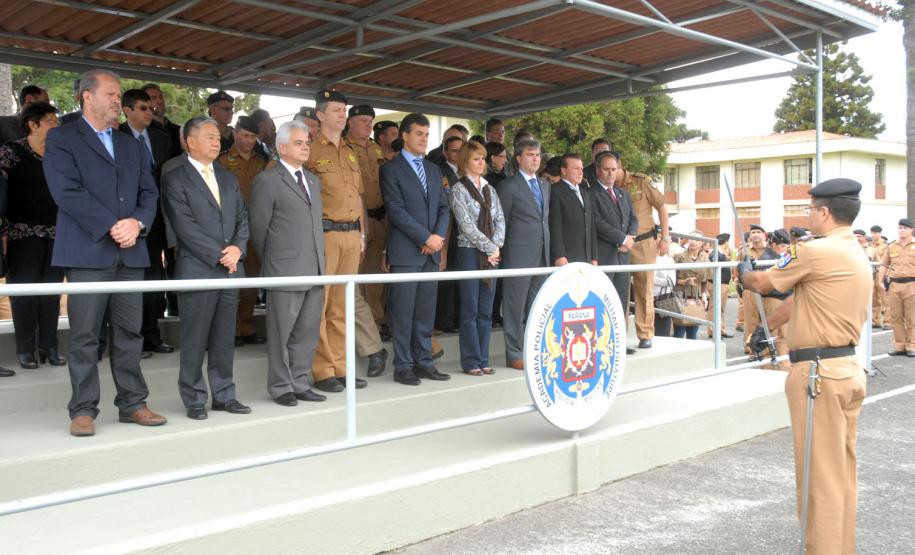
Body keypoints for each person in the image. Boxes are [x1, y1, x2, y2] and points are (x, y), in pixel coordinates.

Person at [738, 178, 871, 554]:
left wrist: (743, 272)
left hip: (818, 374)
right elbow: (800, 301)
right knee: (840, 475)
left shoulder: (814, 251)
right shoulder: (853, 249)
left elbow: (764, 282)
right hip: (844, 368)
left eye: (811, 208)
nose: (808, 214)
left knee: (819, 478)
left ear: (825, 212)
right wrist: (772, 328)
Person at [43, 69, 165, 437]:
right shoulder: (62, 137)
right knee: (84, 335)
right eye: (111, 94)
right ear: (86, 97)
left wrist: (137, 224)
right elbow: (66, 191)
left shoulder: (130, 142)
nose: (118, 100)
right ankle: (82, 409)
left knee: (130, 332)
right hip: (87, 251)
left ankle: (132, 403)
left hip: (130, 251)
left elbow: (149, 194)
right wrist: (114, 224)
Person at [161, 117, 251, 420]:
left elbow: (241, 217)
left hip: (229, 268)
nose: (217, 142)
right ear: (190, 141)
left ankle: (224, 394)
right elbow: (184, 227)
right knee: (195, 338)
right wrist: (220, 254)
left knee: (224, 338)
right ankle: (194, 398)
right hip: (198, 268)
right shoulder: (176, 178)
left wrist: (238, 249)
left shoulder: (227, 176)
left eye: (217, 137)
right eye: (210, 137)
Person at [248, 120, 327, 405]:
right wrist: (274, 263)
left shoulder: (313, 181)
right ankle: (281, 387)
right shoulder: (267, 180)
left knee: (306, 332)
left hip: (315, 267)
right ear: (281, 147)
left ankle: (299, 381)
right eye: (298, 142)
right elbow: (258, 229)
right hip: (284, 269)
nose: (305, 147)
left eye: (307, 142)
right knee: (281, 333)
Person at [380, 113, 451, 386]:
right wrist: (425, 237)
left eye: (426, 134)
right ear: (404, 135)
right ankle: (403, 365)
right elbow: (395, 210)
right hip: (407, 252)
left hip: (431, 252)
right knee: (403, 312)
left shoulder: (434, 170)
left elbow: (444, 207)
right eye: (419, 133)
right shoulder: (391, 169)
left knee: (425, 313)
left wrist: (436, 238)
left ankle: (424, 362)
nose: (424, 139)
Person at [306, 90, 368, 393]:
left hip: (351, 234)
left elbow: (356, 195)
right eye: (335, 110)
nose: (342, 115)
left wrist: (362, 233)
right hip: (325, 234)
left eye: (344, 110)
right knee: (322, 303)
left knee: (342, 305)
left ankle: (343, 366)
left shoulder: (350, 150)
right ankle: (323, 369)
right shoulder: (310, 149)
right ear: (320, 115)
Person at [0, 102, 65, 369]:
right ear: (33, 123)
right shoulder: (10, 151)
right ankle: (25, 348)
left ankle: (49, 346)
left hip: (57, 233)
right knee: (25, 293)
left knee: (51, 293)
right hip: (21, 234)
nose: (56, 125)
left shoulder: (60, 156)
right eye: (51, 120)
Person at [119, 88, 175, 356]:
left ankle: (152, 334)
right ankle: (132, 339)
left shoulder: (161, 138)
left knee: (155, 277)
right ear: (127, 110)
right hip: (129, 221)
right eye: (142, 108)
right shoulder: (115, 137)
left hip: (158, 220)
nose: (149, 112)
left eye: (151, 107)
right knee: (132, 281)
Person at [450, 140, 504, 376]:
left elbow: (500, 220)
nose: (481, 162)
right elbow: (466, 226)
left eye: (483, 158)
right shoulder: (458, 189)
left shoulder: (490, 189)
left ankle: (484, 358)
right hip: (469, 253)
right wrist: (490, 247)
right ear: (465, 161)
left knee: (486, 308)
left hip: (491, 255)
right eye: (476, 158)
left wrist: (496, 247)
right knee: (470, 308)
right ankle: (471, 361)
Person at [495, 138, 550, 370]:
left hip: (542, 254)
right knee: (514, 306)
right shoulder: (508, 186)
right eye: (530, 154)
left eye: (538, 154)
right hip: (517, 255)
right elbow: (501, 222)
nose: (535, 158)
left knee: (537, 305)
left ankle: (533, 349)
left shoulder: (545, 185)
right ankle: (514, 352)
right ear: (518, 158)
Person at [344, 104, 388, 378]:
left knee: (374, 280)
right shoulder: (342, 149)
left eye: (370, 120)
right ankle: (365, 338)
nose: (368, 125)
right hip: (354, 223)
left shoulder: (376, 149)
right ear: (350, 123)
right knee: (353, 283)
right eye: (362, 120)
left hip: (380, 219)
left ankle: (375, 325)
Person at [216, 115, 268, 347]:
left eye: (253, 137)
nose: (249, 141)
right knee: (232, 278)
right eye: (245, 135)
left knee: (252, 279)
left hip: (255, 225)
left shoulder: (262, 161)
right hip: (231, 227)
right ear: (235, 133)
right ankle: (231, 329)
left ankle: (247, 326)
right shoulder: (223, 160)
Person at [617, 158, 670, 349]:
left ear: (620, 165)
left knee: (644, 289)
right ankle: (618, 334)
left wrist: (665, 237)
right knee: (619, 290)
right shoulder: (605, 185)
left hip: (644, 242)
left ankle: (645, 333)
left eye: (613, 168)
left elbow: (662, 206)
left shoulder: (641, 181)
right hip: (619, 246)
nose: (609, 172)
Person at [587, 152, 637, 353]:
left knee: (620, 300)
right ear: (598, 171)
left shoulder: (623, 194)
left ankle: (617, 343)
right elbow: (597, 223)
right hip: (604, 255)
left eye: (613, 169)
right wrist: (621, 238)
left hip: (623, 256)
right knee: (602, 300)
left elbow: (633, 218)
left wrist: (630, 238)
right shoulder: (590, 194)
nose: (610, 173)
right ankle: (600, 343)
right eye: (606, 169)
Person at [549, 153, 597, 266]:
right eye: (576, 168)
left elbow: (591, 227)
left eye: (581, 168)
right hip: (566, 257)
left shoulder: (585, 193)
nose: (580, 172)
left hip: (586, 257)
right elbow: (555, 226)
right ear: (564, 170)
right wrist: (559, 255)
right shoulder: (555, 191)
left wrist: (594, 256)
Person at [739, 224, 781, 354]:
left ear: (764, 235)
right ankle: (750, 347)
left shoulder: (771, 251)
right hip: (750, 290)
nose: (755, 234)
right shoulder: (744, 251)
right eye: (753, 232)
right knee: (750, 320)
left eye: (758, 232)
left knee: (767, 319)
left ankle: (768, 346)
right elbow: (738, 271)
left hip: (766, 289)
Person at [878, 218, 915, 356]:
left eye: (905, 228)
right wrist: (880, 281)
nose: (902, 230)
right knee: (896, 317)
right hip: (894, 285)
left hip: (912, 284)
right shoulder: (892, 246)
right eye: (900, 228)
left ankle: (912, 345)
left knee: (912, 317)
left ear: (911, 230)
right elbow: (884, 265)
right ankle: (899, 345)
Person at [672, 233, 710, 340]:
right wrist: (684, 282)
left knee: (693, 333)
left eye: (696, 239)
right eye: (691, 239)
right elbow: (670, 279)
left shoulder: (705, 259)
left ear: (701, 243)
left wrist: (704, 295)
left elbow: (705, 280)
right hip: (681, 296)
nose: (693, 241)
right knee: (678, 333)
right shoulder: (679, 257)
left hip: (696, 298)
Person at [705, 233, 733, 339]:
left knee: (720, 308)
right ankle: (713, 330)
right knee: (714, 308)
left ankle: (720, 329)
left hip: (723, 283)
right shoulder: (715, 253)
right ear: (726, 242)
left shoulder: (719, 253)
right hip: (718, 283)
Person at [870, 224, 890, 329]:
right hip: (872, 274)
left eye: (875, 233)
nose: (873, 235)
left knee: (885, 298)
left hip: (881, 273)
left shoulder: (885, 245)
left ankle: (888, 321)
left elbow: (887, 261)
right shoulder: (870, 245)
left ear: (880, 234)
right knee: (874, 299)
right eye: (872, 233)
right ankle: (875, 321)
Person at [652, 251, 676, 337]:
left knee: (664, 329)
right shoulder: (649, 258)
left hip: (665, 297)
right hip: (650, 296)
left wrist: (653, 280)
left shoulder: (669, 260)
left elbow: (671, 281)